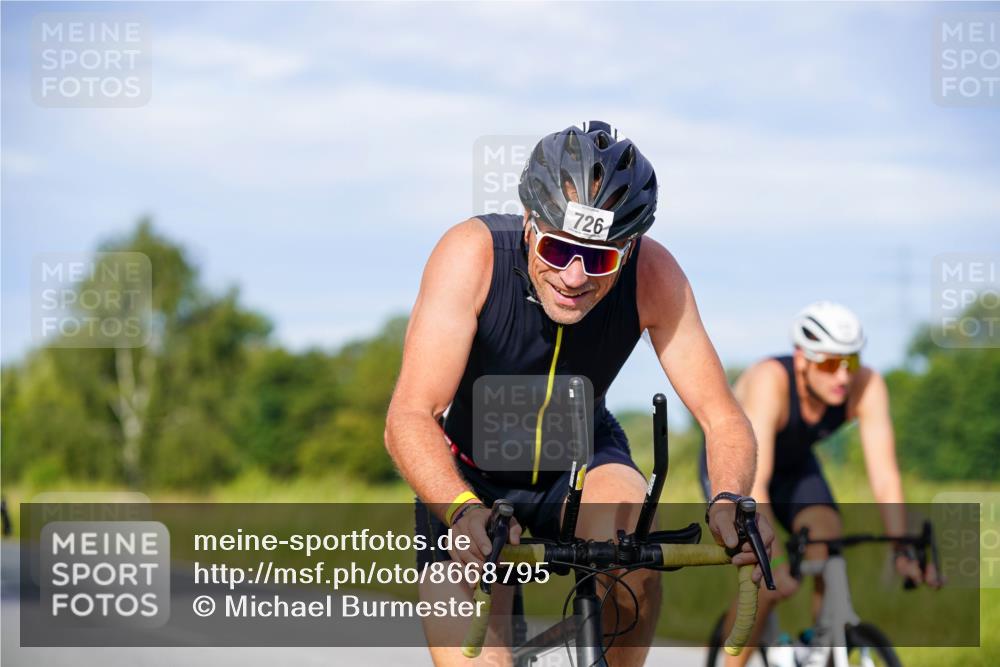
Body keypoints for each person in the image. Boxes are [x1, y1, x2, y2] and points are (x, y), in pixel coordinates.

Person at [385, 121, 773, 667]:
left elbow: (722, 417)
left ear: (628, 249)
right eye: (557, 248)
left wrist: (730, 499)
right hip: (469, 474)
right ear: (528, 223)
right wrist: (460, 509)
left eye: (598, 259)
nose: (573, 277)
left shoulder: (654, 274)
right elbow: (409, 414)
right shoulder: (471, 254)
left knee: (632, 556)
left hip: (582, 458)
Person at [700, 301, 941, 667]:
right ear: (802, 359)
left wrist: (902, 549)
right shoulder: (770, 381)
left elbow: (885, 476)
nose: (843, 377)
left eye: (851, 362)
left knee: (826, 540)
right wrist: (774, 558)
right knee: (765, 582)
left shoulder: (867, 385)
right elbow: (756, 481)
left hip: (795, 468)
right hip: (738, 470)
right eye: (829, 364)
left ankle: (822, 647)